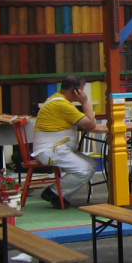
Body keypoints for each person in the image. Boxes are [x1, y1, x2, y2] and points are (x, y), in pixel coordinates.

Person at [32, 75, 99, 209]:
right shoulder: (62, 105)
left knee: (91, 164)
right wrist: (85, 102)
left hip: (56, 148)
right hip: (50, 150)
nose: (83, 93)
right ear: (76, 91)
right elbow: (90, 124)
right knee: (84, 169)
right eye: (82, 90)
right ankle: (53, 192)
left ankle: (59, 196)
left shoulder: (56, 100)